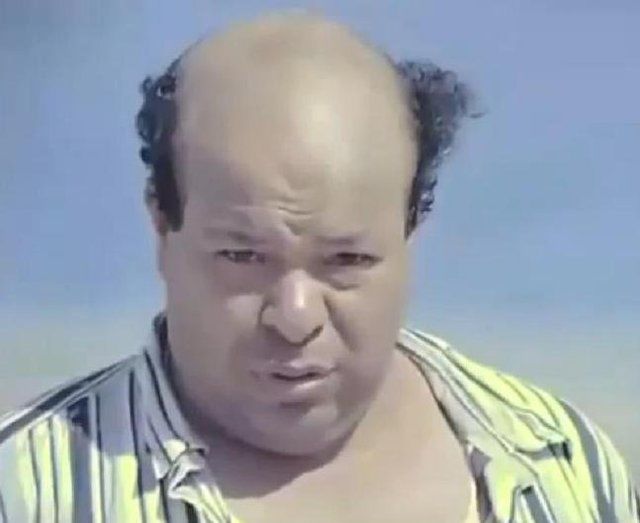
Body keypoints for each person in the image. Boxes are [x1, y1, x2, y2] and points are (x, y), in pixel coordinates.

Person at [0, 10, 637, 523]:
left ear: (412, 232)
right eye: (243, 256)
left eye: (347, 260)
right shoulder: (28, 491)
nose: (295, 316)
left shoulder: (562, 461)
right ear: (162, 227)